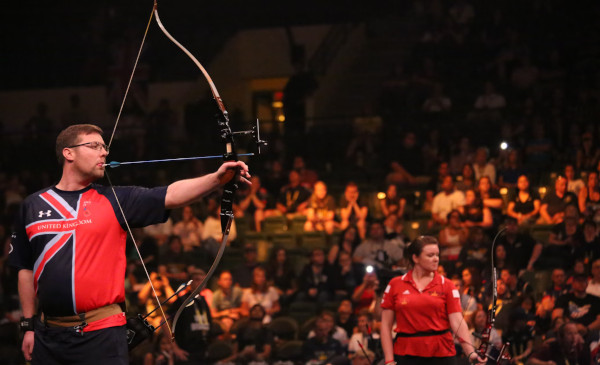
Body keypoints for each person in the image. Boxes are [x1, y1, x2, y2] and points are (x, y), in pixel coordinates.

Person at [8, 124, 250, 364]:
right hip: (48, 335)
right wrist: (28, 326)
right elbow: (25, 269)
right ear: (68, 153)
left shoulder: (115, 199)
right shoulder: (33, 205)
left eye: (105, 147)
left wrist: (217, 179)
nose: (104, 152)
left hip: (102, 332)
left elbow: (171, 194)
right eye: (94, 146)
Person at [380, 236, 486, 364]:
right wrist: (389, 360)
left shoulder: (447, 285)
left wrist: (471, 353)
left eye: (437, 255)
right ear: (415, 258)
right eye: (430, 255)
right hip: (405, 353)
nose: (436, 259)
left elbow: (457, 322)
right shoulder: (395, 284)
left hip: (442, 353)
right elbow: (386, 325)